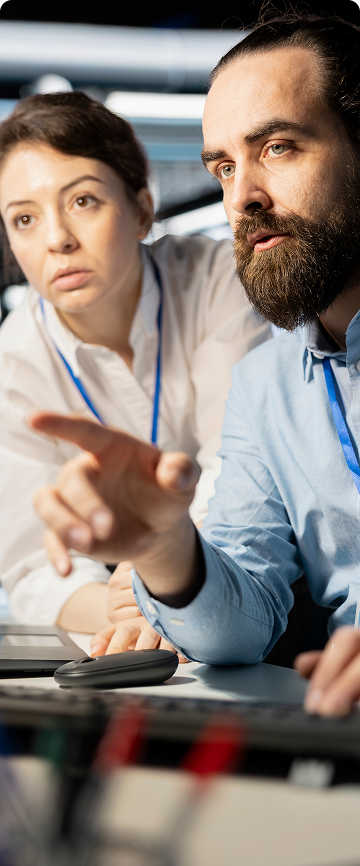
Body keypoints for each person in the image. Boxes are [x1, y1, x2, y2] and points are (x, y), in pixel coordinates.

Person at [31, 11, 360, 716]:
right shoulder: (268, 383)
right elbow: (243, 624)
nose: (243, 196)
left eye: (279, 146)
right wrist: (169, 553)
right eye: (224, 166)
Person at [0, 91, 269, 636]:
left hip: (254, 592)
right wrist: (122, 606)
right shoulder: (13, 362)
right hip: (126, 622)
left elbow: (241, 474)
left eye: (83, 202)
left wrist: (160, 576)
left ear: (143, 209)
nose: (57, 240)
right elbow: (29, 568)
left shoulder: (220, 281)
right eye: (24, 219)